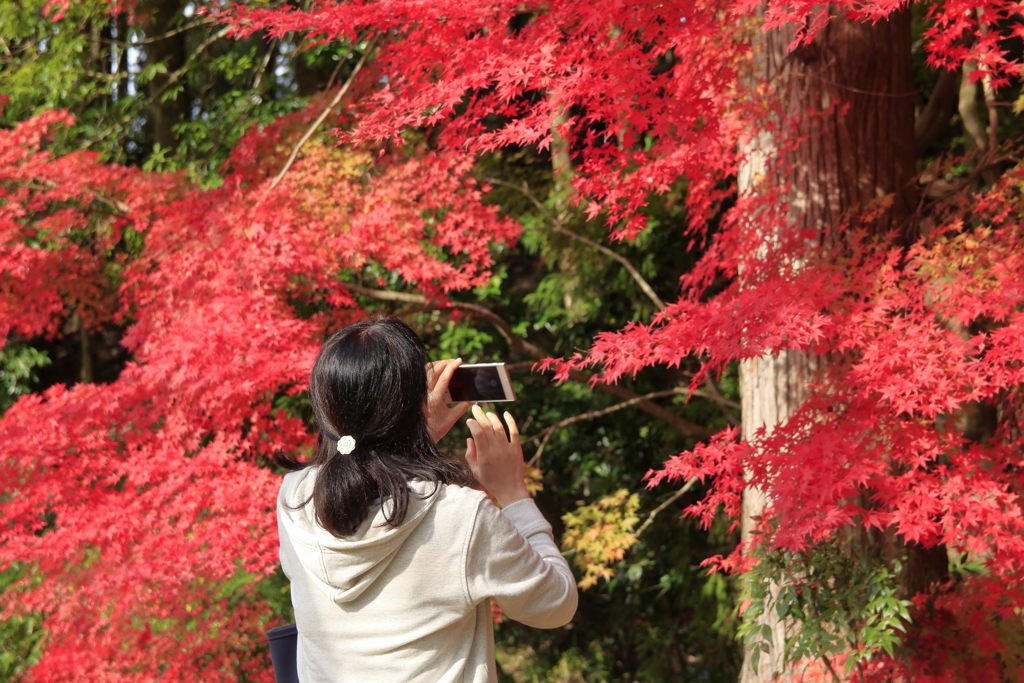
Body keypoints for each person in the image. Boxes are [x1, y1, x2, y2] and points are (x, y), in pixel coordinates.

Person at [276, 317, 578, 683]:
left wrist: (410, 442)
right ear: (413, 406)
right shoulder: (461, 515)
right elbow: (554, 606)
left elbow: (366, 473)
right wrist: (514, 494)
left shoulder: (294, 497)